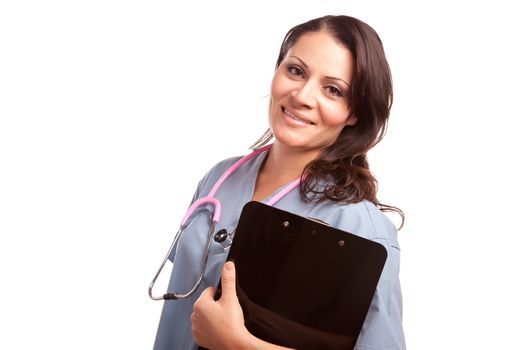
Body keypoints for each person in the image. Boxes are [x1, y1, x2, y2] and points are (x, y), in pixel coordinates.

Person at [153, 14, 405, 350]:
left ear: (354, 112)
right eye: (296, 71)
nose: (302, 95)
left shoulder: (356, 225)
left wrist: (238, 344)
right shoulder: (220, 179)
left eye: (332, 90)